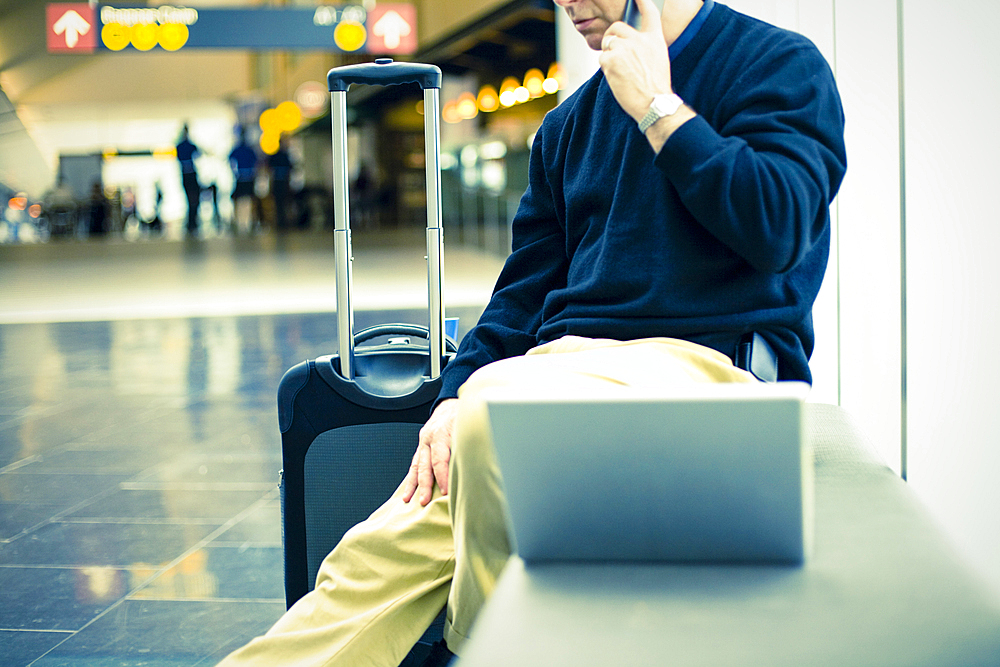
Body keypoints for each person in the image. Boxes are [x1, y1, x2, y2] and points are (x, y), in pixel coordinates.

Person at [218, 0, 846, 665]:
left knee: (498, 411)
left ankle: (495, 646)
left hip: (703, 368)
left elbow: (778, 226)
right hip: (556, 376)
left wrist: (660, 108)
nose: (568, 2)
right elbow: (520, 296)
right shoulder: (570, 124)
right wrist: (453, 396)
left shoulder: (777, 65)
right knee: (367, 562)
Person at [229, 127, 259, 235]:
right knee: (240, 199)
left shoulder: (246, 149)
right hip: (244, 177)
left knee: (249, 199)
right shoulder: (246, 149)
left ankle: (250, 222)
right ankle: (239, 222)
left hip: (244, 177)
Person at [176, 123, 201, 237]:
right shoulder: (187, 146)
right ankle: (192, 223)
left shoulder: (181, 146)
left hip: (187, 175)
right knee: (193, 200)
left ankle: (192, 222)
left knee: (192, 200)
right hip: (189, 175)